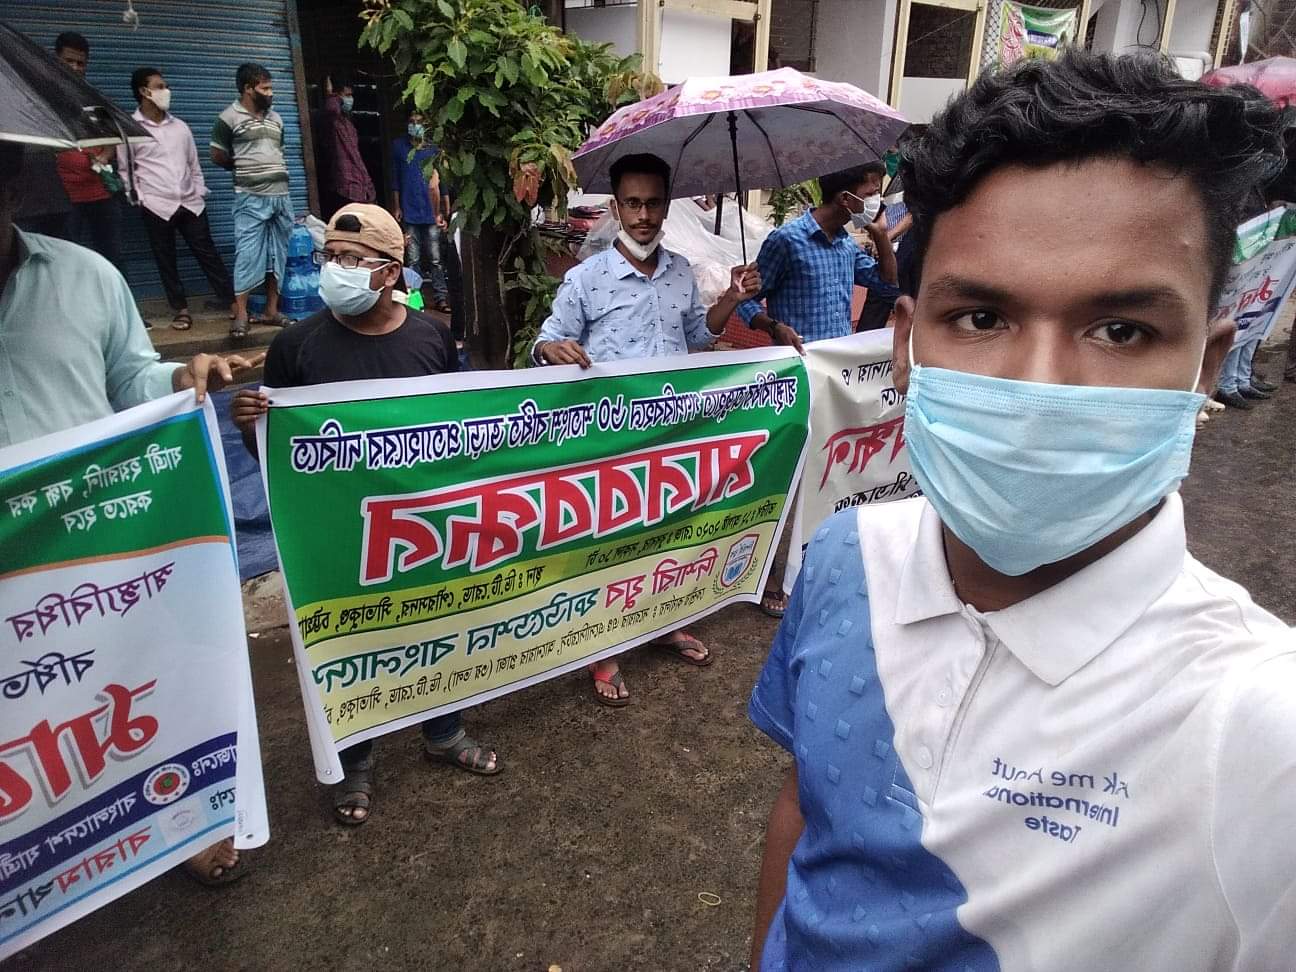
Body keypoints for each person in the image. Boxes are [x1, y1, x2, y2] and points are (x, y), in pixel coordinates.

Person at [747, 52, 1296, 972]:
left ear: (1205, 367)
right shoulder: (846, 556)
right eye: (981, 318)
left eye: (1120, 330)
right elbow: (806, 808)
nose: (1041, 390)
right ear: (906, 347)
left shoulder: (1261, 741)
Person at [0, 140, 260, 883]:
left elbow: (129, 376)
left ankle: (180, 822)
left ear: (11, 184)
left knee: (132, 677)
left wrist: (181, 378)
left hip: (97, 535)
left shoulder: (85, 276)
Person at [230, 204, 499, 825]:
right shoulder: (295, 346)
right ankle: (353, 761)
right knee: (349, 642)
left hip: (422, 525)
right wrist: (249, 427)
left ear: (390, 271)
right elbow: (278, 456)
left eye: (352, 259)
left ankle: (444, 732)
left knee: (435, 623)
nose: (335, 269)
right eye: (330, 257)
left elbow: (457, 426)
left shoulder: (431, 337)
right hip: (337, 532)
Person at [532, 152, 761, 706]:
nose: (643, 216)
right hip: (612, 441)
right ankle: (602, 649)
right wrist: (552, 350)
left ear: (665, 207)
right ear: (615, 207)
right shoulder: (586, 279)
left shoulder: (680, 270)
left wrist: (731, 298)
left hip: (674, 435)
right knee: (611, 542)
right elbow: (547, 340)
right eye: (632, 204)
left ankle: (665, 623)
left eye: (653, 204)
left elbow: (698, 336)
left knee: (670, 531)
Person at [737, 162, 900, 617]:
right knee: (789, 479)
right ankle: (771, 578)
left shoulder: (847, 245)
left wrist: (882, 236)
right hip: (795, 378)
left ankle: (814, 564)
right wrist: (773, 325)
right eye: (871, 190)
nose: (876, 199)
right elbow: (747, 300)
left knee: (829, 474)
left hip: (835, 384)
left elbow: (888, 286)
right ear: (846, 197)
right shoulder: (786, 241)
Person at [122, 67, 236, 331]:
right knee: (166, 259)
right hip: (156, 205)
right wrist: (140, 198)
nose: (166, 91)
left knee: (207, 253)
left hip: (190, 202)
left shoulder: (180, 127)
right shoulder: (131, 129)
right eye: (160, 86)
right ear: (144, 92)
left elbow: (193, 164)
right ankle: (181, 310)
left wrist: (198, 190)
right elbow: (126, 169)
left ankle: (232, 303)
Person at [211, 62, 293, 336]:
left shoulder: (277, 119)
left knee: (277, 253)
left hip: (281, 197)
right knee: (247, 254)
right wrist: (245, 169)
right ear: (248, 88)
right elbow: (218, 155)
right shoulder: (228, 118)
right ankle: (241, 314)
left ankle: (271, 310)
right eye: (265, 88)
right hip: (250, 198)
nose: (271, 93)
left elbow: (278, 151)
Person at [52, 31, 124, 273]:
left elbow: (114, 138)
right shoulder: (44, 97)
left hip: (101, 193)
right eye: (69, 61)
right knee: (65, 259)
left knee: (112, 257)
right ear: (56, 59)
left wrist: (104, 156)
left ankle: (115, 298)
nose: (75, 67)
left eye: (81, 63)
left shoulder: (94, 98)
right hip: (64, 196)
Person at [390, 108, 450, 313]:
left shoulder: (434, 149)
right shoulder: (399, 147)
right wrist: (397, 207)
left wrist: (444, 210)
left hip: (431, 212)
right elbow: (395, 180)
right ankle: (414, 300)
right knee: (413, 259)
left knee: (436, 259)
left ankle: (441, 298)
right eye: (411, 121)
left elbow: (442, 183)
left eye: (419, 122)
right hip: (410, 210)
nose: (415, 125)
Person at [322, 77, 375, 216]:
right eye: (346, 95)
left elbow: (356, 157)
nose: (350, 99)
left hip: (360, 185)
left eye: (351, 95)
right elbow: (331, 108)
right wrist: (331, 94)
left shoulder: (348, 124)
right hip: (345, 187)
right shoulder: (332, 121)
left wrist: (367, 184)